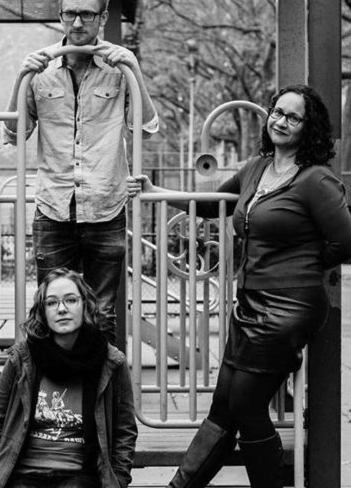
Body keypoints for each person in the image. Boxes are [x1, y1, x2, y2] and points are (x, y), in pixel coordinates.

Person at [127, 84, 351, 488]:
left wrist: (304, 263)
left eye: (293, 117)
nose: (281, 121)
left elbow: (346, 241)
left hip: (289, 307)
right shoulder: (257, 167)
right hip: (250, 303)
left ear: (308, 127)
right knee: (223, 406)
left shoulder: (316, 180)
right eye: (277, 112)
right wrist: (154, 191)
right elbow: (213, 204)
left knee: (246, 403)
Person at [2, 0, 159, 339]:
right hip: (53, 207)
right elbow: (13, 133)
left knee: (101, 311)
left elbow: (146, 128)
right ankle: (54, 377)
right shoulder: (41, 69)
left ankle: (100, 378)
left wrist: (134, 69)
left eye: (87, 14)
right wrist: (22, 77)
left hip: (105, 206)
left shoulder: (119, 69)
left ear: (102, 18)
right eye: (69, 13)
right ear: (60, 15)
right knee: (51, 309)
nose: (76, 23)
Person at [0, 267, 137, 488]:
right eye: (52, 303)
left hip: (79, 476)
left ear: (85, 305)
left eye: (70, 300)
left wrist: (118, 479)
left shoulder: (111, 362)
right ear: (43, 311)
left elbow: (124, 431)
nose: (62, 309)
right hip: (22, 474)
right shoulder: (22, 358)